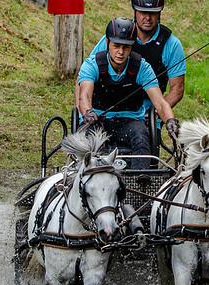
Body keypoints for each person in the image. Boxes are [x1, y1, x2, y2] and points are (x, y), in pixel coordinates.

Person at [75, 17, 179, 170]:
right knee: (92, 139)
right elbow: (84, 96)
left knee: (141, 137)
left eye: (126, 47)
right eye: (116, 46)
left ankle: (140, 178)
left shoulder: (142, 67)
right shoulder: (92, 65)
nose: (121, 52)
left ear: (132, 46)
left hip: (130, 121)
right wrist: (88, 112)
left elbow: (160, 103)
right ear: (107, 43)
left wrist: (170, 120)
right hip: (97, 120)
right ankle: (93, 175)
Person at [88, 0, 186, 110]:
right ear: (135, 12)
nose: (148, 18)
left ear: (159, 14)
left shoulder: (172, 44)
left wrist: (157, 112)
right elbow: (87, 72)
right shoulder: (116, 36)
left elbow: (177, 89)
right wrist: (86, 110)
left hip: (148, 107)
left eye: (153, 13)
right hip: (106, 105)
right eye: (143, 12)